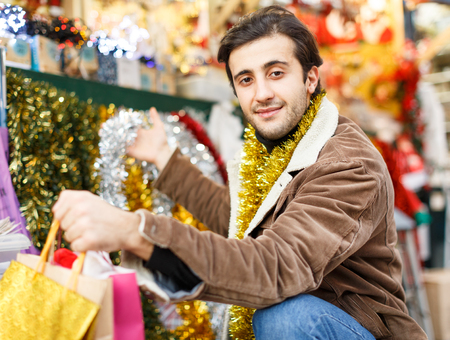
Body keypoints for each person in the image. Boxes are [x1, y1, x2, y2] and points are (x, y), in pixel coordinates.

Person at [53, 5, 427, 340]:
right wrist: (166, 159)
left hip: (357, 327)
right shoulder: (281, 145)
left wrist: (135, 231)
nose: (261, 93)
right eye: (246, 80)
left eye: (276, 73)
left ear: (310, 79)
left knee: (284, 317)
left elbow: (278, 265)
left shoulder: (347, 162)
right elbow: (238, 219)